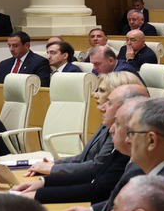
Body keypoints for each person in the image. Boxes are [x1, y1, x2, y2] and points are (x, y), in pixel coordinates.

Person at [20, 82, 150, 202]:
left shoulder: (133, 158)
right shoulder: (122, 146)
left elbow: (98, 188)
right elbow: (93, 173)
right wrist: (45, 180)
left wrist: (41, 191)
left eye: (109, 102)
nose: (101, 106)